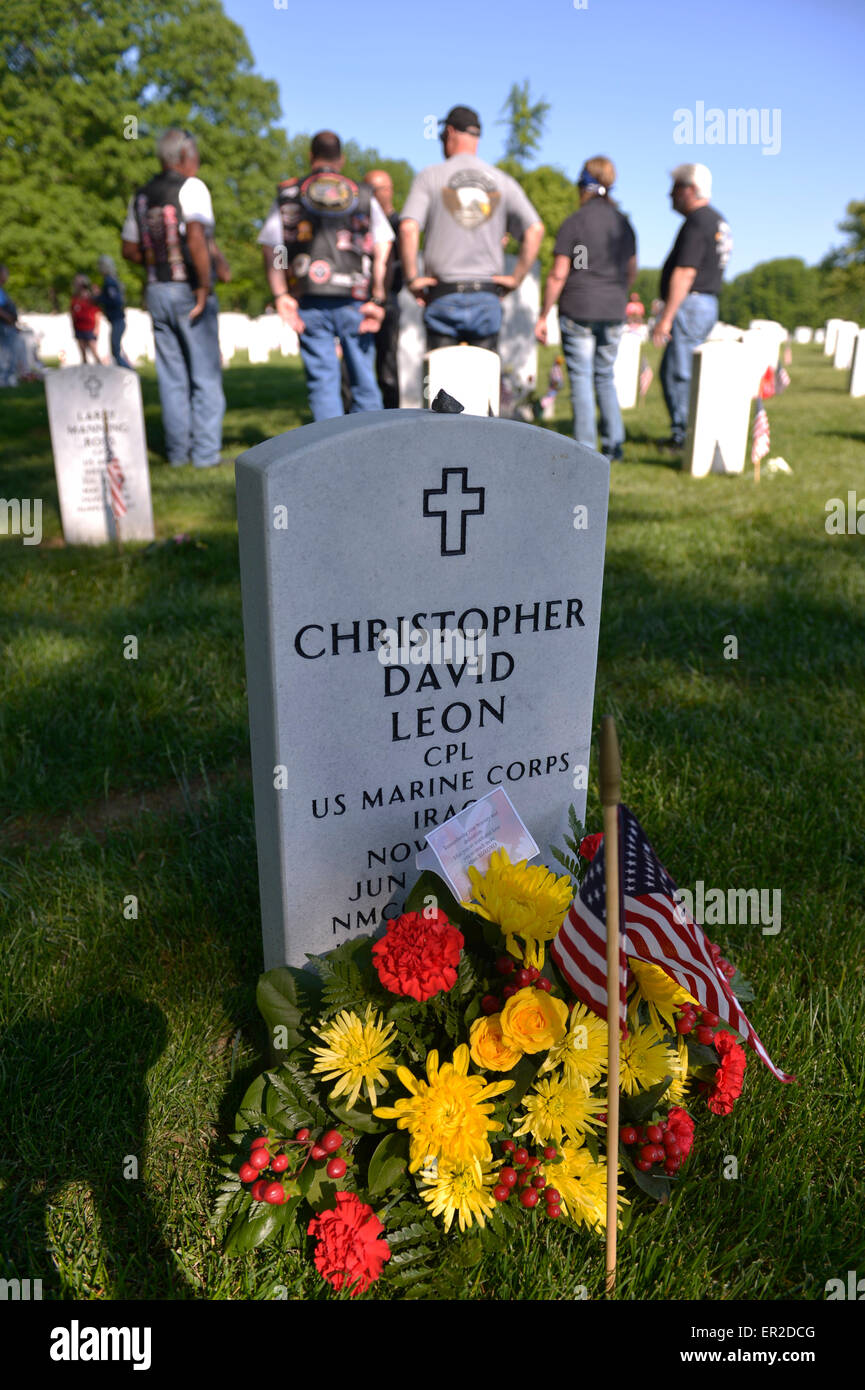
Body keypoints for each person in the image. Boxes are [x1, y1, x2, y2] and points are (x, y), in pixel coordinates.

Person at [258, 130, 391, 421]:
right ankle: (374, 451)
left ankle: (329, 458)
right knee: (364, 382)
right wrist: (378, 298)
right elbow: (382, 249)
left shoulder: (289, 195)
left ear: (310, 156)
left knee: (323, 384)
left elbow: (274, 248)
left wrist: (281, 293)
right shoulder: (363, 194)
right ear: (341, 159)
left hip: (309, 298)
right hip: (355, 298)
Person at [121, 129, 227, 468]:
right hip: (188, 290)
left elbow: (129, 249)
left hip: (156, 290)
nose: (196, 163)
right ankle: (206, 456)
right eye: (194, 157)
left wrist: (158, 260)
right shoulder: (191, 187)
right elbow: (195, 235)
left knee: (172, 377)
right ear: (184, 157)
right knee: (205, 376)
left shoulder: (140, 195)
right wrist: (204, 285)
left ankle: (178, 455)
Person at [399, 105, 544, 352]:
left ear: (451, 132)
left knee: (441, 385)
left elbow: (408, 228)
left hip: (442, 294)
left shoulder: (430, 176)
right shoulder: (502, 180)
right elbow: (536, 229)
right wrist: (516, 278)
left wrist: (412, 278)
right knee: (483, 383)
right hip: (487, 296)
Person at [535, 158, 636, 460]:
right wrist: (617, 295)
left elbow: (558, 273)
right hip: (613, 308)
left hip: (578, 307)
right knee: (604, 375)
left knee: (580, 376)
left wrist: (543, 315)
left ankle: (586, 450)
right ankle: (615, 444)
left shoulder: (575, 222)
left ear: (583, 185)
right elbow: (631, 270)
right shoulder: (623, 223)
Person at [653, 163, 732, 449]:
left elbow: (685, 272)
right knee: (679, 371)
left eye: (674, 189)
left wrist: (666, 316)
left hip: (691, 303)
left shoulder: (698, 222)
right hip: (704, 303)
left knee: (679, 372)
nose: (669, 195)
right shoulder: (716, 220)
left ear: (689, 190)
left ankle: (684, 438)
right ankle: (687, 433)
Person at [363, 169, 402, 407]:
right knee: (354, 368)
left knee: (387, 367)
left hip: (389, 301)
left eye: (379, 190)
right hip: (360, 301)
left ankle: (390, 416)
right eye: (370, 190)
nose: (375, 196)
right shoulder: (360, 221)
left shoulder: (400, 224)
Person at [96, 255, 133, 368]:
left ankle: (130, 372)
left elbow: (114, 300)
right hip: (117, 321)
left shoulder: (109, 282)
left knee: (116, 351)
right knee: (116, 350)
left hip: (117, 320)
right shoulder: (112, 280)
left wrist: (98, 298)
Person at [0, 265, 26, 386]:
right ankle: (3, 379)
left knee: (11, 354)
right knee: (5, 355)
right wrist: (9, 319)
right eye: (6, 274)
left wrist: (13, 325)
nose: (7, 277)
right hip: (4, 327)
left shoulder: (2, 290)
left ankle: (9, 378)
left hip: (9, 327)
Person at [70, 274, 103, 365]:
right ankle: (85, 371)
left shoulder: (90, 298)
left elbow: (97, 313)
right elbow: (72, 313)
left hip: (89, 328)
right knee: (82, 352)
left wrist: (97, 327)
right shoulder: (75, 298)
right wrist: (73, 327)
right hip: (79, 328)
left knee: (93, 350)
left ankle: (100, 367)